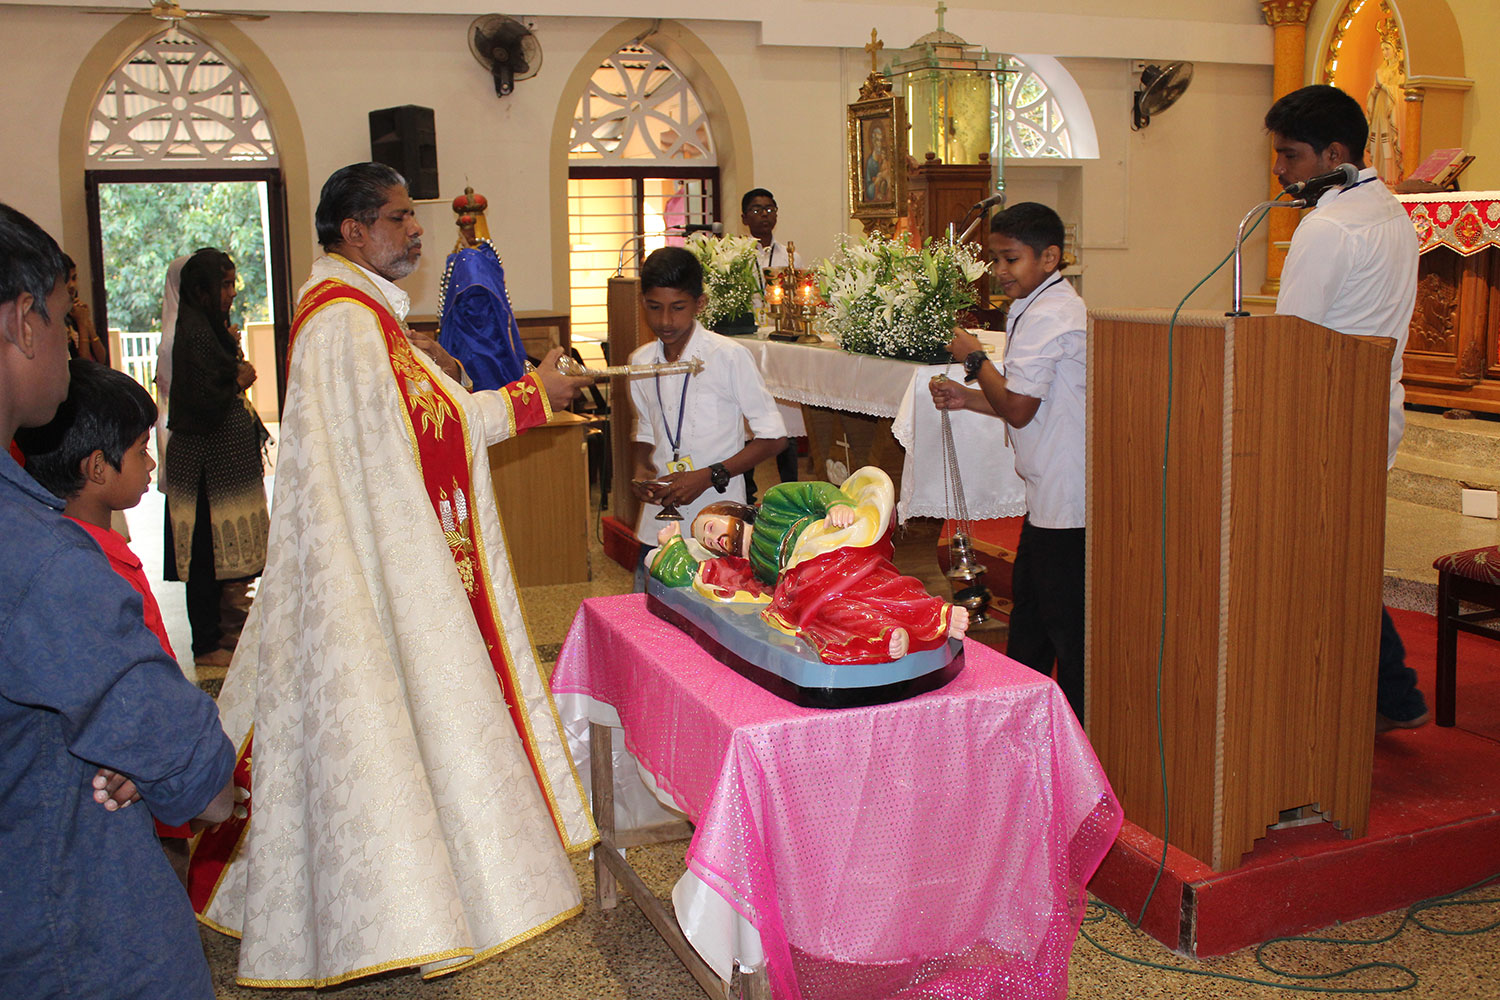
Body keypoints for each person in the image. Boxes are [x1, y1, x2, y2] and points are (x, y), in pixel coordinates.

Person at [190, 162, 597, 987]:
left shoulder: (357, 314)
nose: (417, 231)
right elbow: (425, 436)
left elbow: (412, 427)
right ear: (354, 231)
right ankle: (409, 902)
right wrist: (531, 394)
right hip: (370, 570)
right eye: (402, 217)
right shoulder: (345, 324)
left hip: (373, 551)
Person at [0, 202, 235, 999]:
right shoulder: (36, 554)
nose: (71, 347)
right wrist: (157, 750)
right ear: (22, 322)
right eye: (66, 319)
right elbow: (202, 777)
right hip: (67, 928)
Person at [1267, 84, 1428, 732]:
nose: (1279, 169)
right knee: (1345, 558)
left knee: (1326, 564)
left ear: (1334, 153)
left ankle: (1377, 693)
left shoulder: (1327, 227)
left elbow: (1289, 340)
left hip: (1320, 419)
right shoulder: (1389, 210)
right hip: (1373, 408)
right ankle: (1392, 692)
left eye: (1290, 155)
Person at [13, 358, 198, 880]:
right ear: (97, 468)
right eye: (142, 452)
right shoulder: (92, 570)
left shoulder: (60, 549)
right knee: (162, 879)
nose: (152, 465)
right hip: (130, 777)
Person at [930, 202, 1087, 720]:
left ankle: (1080, 733)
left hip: (1068, 496)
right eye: (995, 259)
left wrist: (973, 358)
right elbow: (1026, 397)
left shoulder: (1055, 314)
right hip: (1049, 491)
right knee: (1031, 618)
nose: (999, 271)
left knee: (1064, 628)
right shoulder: (1039, 305)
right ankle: (1024, 720)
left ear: (1049, 257)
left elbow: (1018, 409)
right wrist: (967, 396)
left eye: (1011, 259)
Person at [651, 466, 969, 662]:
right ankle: (882, 632)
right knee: (829, 608)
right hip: (808, 579)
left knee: (868, 580)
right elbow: (709, 577)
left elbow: (814, 492)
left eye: (710, 527)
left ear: (731, 512)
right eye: (708, 543)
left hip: (829, 543)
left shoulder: (775, 501)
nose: (714, 539)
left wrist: (837, 505)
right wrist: (674, 547)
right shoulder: (754, 567)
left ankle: (930, 611)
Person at [628, 245, 786, 566]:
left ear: (700, 303)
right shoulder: (640, 362)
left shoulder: (728, 356)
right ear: (643, 302)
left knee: (714, 606)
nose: (665, 320)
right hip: (658, 524)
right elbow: (646, 429)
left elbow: (774, 438)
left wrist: (708, 476)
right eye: (655, 308)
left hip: (718, 519)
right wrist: (642, 470)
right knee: (651, 609)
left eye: (678, 307)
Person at [162, 247, 268, 668]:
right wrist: (238, 380)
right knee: (204, 559)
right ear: (201, 289)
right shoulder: (192, 334)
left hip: (218, 465)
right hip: (203, 466)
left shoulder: (210, 327)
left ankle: (224, 633)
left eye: (232, 283)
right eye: (223, 285)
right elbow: (200, 404)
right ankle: (206, 644)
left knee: (217, 557)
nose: (231, 293)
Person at [741, 188, 804, 485]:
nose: (764, 215)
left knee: (785, 417)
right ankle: (747, 488)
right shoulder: (738, 255)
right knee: (746, 421)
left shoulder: (790, 255)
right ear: (744, 217)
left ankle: (789, 486)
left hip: (780, 343)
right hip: (749, 343)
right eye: (756, 210)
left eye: (769, 209)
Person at [438, 185, 530, 390]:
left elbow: (473, 304)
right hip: (488, 336)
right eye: (462, 226)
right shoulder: (483, 254)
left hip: (474, 340)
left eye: (469, 226)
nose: (465, 231)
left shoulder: (470, 257)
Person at [62, 253, 108, 363]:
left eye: (74, 278)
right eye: (66, 280)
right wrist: (81, 324)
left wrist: (86, 322)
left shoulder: (77, 311)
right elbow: (84, 365)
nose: (72, 285)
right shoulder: (58, 318)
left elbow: (102, 359)